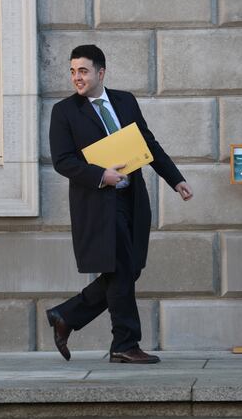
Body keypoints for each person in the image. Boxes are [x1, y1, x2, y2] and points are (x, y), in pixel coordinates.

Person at [46, 44, 193, 364]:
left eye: (83, 71)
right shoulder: (65, 111)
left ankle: (66, 316)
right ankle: (124, 344)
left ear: (101, 72)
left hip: (132, 199)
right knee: (121, 269)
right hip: (98, 204)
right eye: (72, 71)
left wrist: (175, 179)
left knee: (128, 270)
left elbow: (148, 143)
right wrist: (101, 175)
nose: (76, 78)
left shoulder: (125, 101)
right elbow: (63, 161)